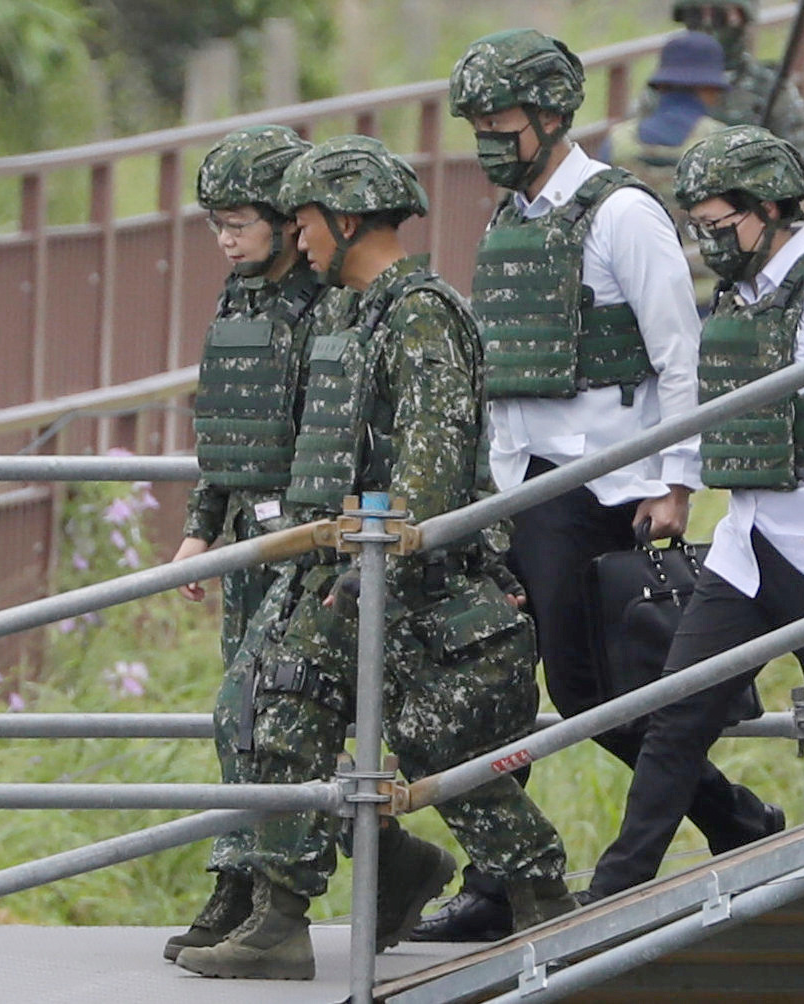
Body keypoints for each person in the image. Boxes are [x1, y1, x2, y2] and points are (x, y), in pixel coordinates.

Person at [175, 135, 575, 981]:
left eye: (306, 219)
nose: (298, 236)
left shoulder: (421, 315)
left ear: (346, 219)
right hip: (346, 573)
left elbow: (425, 483)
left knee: (444, 754)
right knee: (270, 707)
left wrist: (360, 576)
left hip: (415, 583)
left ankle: (543, 902)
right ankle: (280, 916)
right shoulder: (347, 311)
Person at [413, 28, 781, 944]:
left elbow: (679, 355)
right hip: (517, 487)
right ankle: (505, 880)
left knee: (586, 692)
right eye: (475, 124)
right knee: (496, 683)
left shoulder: (621, 213)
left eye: (499, 121)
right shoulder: (511, 221)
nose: (487, 139)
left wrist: (676, 480)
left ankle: (728, 815)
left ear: (548, 117)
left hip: (601, 484)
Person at [582, 124, 804, 900]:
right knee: (675, 717)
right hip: (749, 550)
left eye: (720, 226)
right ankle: (614, 892)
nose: (710, 243)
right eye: (700, 229)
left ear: (769, 208)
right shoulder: (738, 297)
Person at [163, 124, 352, 963]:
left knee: (256, 710)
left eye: (239, 221)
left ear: (285, 219)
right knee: (240, 721)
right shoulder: (236, 297)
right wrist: (200, 527)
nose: (226, 239)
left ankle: (269, 897)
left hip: (306, 536)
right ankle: (239, 886)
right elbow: (226, 425)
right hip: (248, 535)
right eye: (215, 224)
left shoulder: (328, 302)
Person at [639, 0, 804, 162]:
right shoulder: (663, 87)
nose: (706, 24)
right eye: (694, 16)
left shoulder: (768, 88)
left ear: (743, 18)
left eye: (718, 16)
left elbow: (800, 167)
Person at [601, 30, 731, 223]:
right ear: (710, 88)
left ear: (660, 86)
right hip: (697, 251)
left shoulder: (617, 140)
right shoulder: (722, 141)